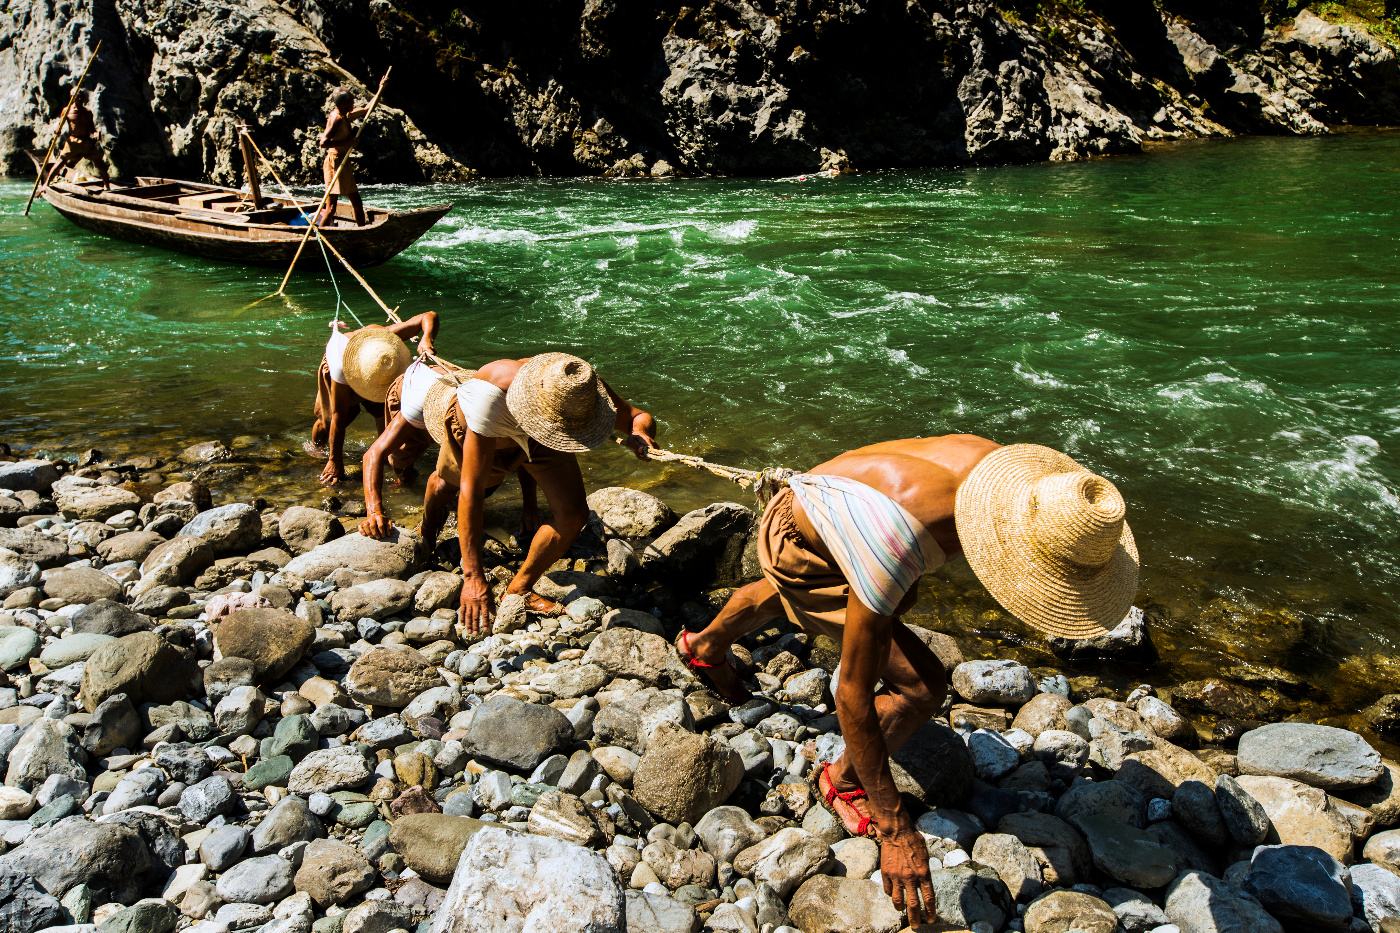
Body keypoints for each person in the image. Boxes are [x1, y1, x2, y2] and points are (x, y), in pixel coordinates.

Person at [672, 437, 1139, 927]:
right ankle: (841, 779)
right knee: (920, 686)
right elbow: (851, 693)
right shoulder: (895, 544)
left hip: (819, 498)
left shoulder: (999, 470)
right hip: (805, 538)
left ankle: (703, 648)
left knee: (859, 591)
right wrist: (895, 826)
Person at [418, 353, 657, 630]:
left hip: (544, 431)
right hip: (484, 429)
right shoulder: (491, 399)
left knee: (573, 514)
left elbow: (637, 416)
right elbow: (470, 494)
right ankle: (425, 540)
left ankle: (518, 589)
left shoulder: (582, 388)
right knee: (447, 486)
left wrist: (640, 435)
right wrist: (473, 577)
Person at [308, 312, 438, 487]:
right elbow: (338, 418)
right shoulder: (340, 367)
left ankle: (384, 461)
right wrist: (335, 461)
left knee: (384, 420)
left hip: (380, 374)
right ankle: (317, 450)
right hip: (344, 370)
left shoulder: (387, 341)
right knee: (329, 420)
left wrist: (427, 339)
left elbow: (429, 316)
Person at [317, 87, 368, 227]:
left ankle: (362, 233)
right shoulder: (337, 118)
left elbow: (367, 109)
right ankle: (319, 236)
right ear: (343, 104)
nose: (353, 104)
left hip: (343, 162)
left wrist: (382, 87)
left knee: (357, 202)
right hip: (334, 163)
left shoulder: (345, 115)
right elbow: (323, 142)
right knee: (331, 208)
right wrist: (348, 141)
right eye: (351, 102)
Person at [48, 89, 110, 188]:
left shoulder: (87, 112)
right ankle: (46, 184)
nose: (79, 98)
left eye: (81, 96)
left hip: (86, 143)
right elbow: (60, 125)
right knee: (60, 162)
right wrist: (57, 132)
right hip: (72, 142)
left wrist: (96, 134)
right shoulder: (67, 110)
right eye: (77, 96)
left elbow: (92, 129)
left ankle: (107, 186)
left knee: (100, 164)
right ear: (72, 97)